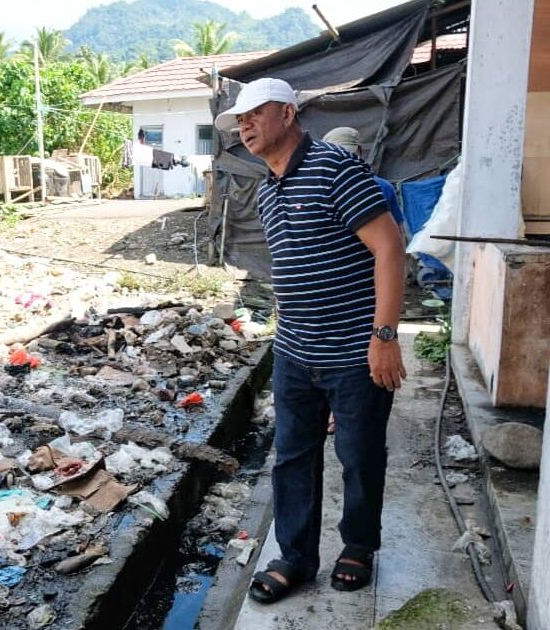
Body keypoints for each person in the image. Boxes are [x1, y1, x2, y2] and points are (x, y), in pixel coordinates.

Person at [214, 78, 406, 603]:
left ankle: (358, 547)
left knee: (360, 454)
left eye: (254, 114)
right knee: (292, 456)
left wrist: (384, 336)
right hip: (296, 351)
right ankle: (295, 557)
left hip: (354, 351)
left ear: (287, 112)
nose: (245, 126)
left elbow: (390, 249)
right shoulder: (269, 189)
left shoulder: (335, 168)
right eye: (240, 120)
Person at [320, 126, 406, 436]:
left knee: (358, 350)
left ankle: (346, 413)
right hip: (349, 286)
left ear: (359, 153)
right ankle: (345, 411)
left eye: (344, 152)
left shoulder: (378, 188)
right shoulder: (377, 186)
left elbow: (395, 243)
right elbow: (399, 239)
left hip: (364, 284)